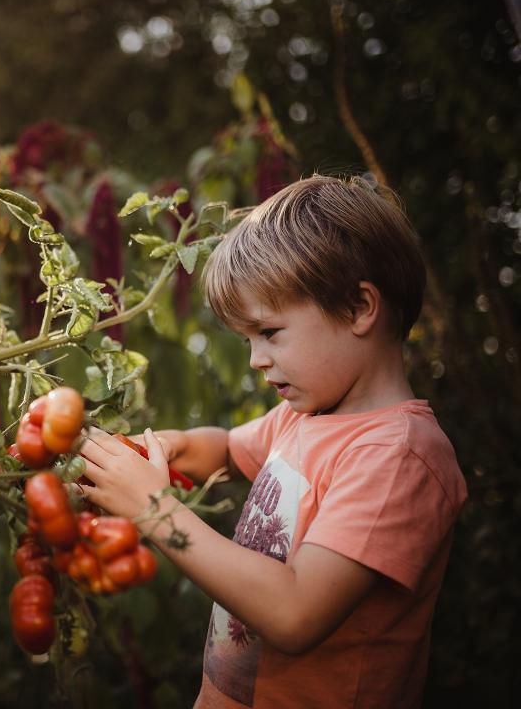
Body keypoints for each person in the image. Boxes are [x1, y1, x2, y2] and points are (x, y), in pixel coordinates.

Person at [78, 175, 467, 708]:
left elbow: (296, 613)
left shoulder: (397, 456)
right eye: (247, 340)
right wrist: (156, 450)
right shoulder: (305, 415)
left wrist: (154, 510)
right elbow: (225, 448)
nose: (256, 359)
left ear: (359, 308)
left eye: (270, 333)